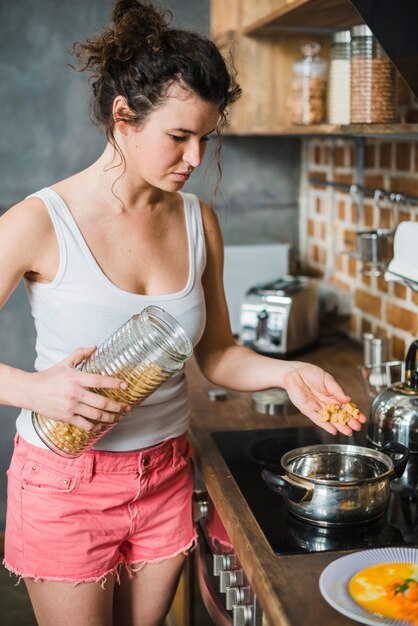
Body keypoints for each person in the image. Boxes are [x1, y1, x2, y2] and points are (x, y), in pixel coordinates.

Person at [1, 1, 366, 625]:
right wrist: (36, 389)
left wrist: (284, 374)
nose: (195, 159)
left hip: (166, 472)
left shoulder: (199, 222)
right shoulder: (40, 221)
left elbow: (217, 352)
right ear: (123, 117)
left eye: (206, 137)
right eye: (178, 136)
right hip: (68, 481)